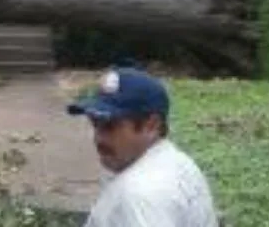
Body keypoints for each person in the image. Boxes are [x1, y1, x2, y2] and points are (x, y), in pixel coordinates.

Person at [67, 66, 218, 227]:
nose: (98, 138)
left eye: (109, 126)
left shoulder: (141, 194)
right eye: (95, 124)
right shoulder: (175, 161)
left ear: (151, 126)